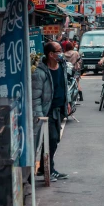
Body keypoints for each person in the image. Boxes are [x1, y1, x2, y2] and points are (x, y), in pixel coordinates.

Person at [32, 42, 69, 181]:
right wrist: (39, 115)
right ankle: (49, 169)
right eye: (59, 51)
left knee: (54, 139)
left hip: (59, 109)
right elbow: (35, 97)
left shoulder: (62, 66)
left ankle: (44, 167)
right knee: (51, 139)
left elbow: (63, 85)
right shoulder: (40, 73)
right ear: (51, 54)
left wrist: (67, 102)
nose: (62, 53)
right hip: (47, 111)